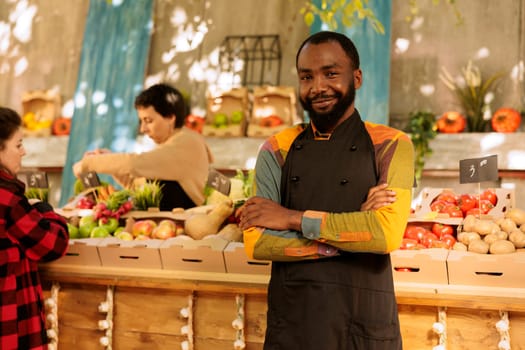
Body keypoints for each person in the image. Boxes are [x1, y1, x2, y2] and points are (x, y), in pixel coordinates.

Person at [239, 31, 415, 350]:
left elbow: (386, 234)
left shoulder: (392, 144)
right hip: (294, 322)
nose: (318, 86)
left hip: (364, 322)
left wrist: (290, 218)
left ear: (356, 77)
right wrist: (348, 236)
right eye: (307, 76)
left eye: (331, 73)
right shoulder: (275, 148)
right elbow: (258, 243)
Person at [73, 83, 214, 210]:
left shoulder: (186, 143)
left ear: (171, 118)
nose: (143, 129)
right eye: (141, 121)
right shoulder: (173, 143)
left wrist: (88, 164)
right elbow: (139, 186)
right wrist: (112, 167)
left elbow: (134, 163)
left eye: (148, 120)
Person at [0, 107, 69, 349]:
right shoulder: (7, 200)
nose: (24, 152)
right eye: (18, 145)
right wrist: (47, 211)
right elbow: (53, 243)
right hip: (9, 322)